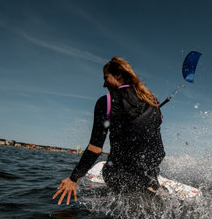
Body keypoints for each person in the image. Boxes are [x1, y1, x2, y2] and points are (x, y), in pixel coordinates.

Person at [53, 57, 165, 205]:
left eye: (106, 78)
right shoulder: (152, 100)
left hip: (121, 171)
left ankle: (140, 190)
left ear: (118, 75)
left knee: (108, 170)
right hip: (151, 165)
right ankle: (151, 184)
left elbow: (95, 148)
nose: (104, 84)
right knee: (143, 155)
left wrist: (73, 179)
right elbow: (154, 125)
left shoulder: (106, 101)